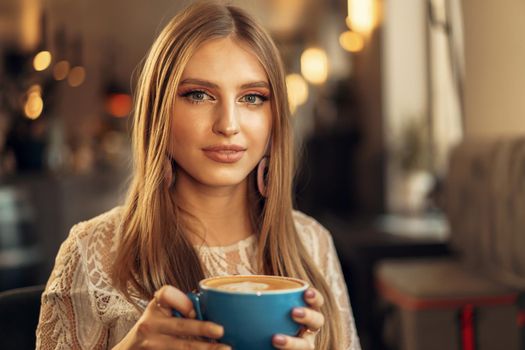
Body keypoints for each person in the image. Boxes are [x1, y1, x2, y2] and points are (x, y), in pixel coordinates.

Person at [35, 2, 361, 349]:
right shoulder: (89, 252)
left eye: (252, 97)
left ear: (274, 116)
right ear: (160, 110)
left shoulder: (313, 245)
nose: (228, 125)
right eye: (199, 95)